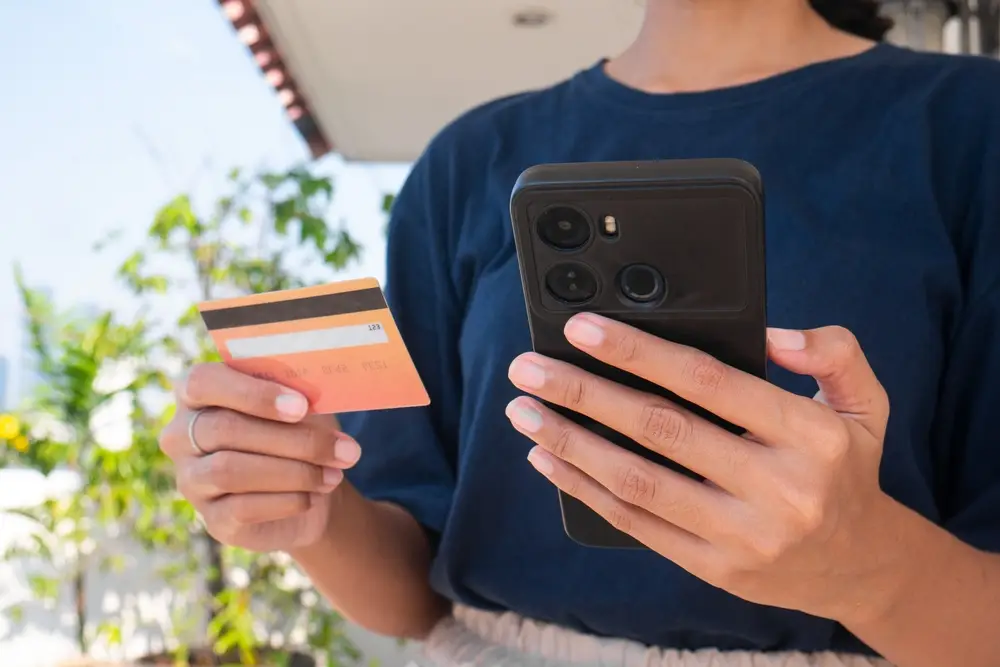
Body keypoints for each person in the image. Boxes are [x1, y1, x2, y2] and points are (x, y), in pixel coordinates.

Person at [158, 1, 1000, 665]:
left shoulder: (972, 127)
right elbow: (409, 597)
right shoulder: (470, 161)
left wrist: (871, 564)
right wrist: (309, 506)